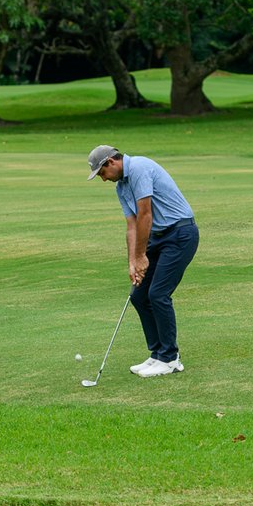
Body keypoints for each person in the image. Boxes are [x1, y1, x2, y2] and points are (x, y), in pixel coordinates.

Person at [86, 144, 199, 378]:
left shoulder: (138, 168)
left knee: (158, 294)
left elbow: (145, 214)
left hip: (180, 234)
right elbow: (131, 226)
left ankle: (170, 358)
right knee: (138, 295)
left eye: (102, 173)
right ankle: (157, 353)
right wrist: (132, 262)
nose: (103, 179)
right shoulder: (121, 186)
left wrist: (141, 256)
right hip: (158, 237)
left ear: (111, 162)